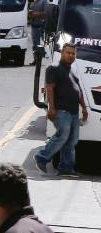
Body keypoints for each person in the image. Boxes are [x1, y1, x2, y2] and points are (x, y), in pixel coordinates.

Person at [35, 42, 89, 176]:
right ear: (62, 53)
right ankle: (42, 156)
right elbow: (50, 88)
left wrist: (84, 108)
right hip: (61, 110)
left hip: (74, 112)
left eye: (73, 54)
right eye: (68, 53)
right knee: (63, 134)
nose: (71, 55)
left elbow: (78, 91)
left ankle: (66, 168)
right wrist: (51, 108)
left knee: (72, 141)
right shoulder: (53, 68)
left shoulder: (73, 72)